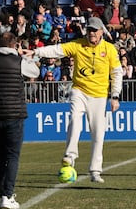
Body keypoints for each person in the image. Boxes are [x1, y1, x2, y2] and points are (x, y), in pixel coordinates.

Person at [23, 17, 123, 183]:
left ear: (101, 32)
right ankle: (69, 158)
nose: (91, 33)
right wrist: (36, 52)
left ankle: (95, 170)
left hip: (99, 95)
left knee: (98, 134)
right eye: (89, 30)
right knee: (74, 120)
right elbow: (57, 50)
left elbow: (117, 73)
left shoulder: (110, 49)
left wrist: (115, 96)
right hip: (80, 91)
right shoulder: (78, 45)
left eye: (94, 30)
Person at [0, 32, 39, 209]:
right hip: (14, 114)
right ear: (15, 45)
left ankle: (2, 194)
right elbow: (35, 71)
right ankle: (8, 195)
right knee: (12, 155)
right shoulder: (19, 61)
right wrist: (24, 56)